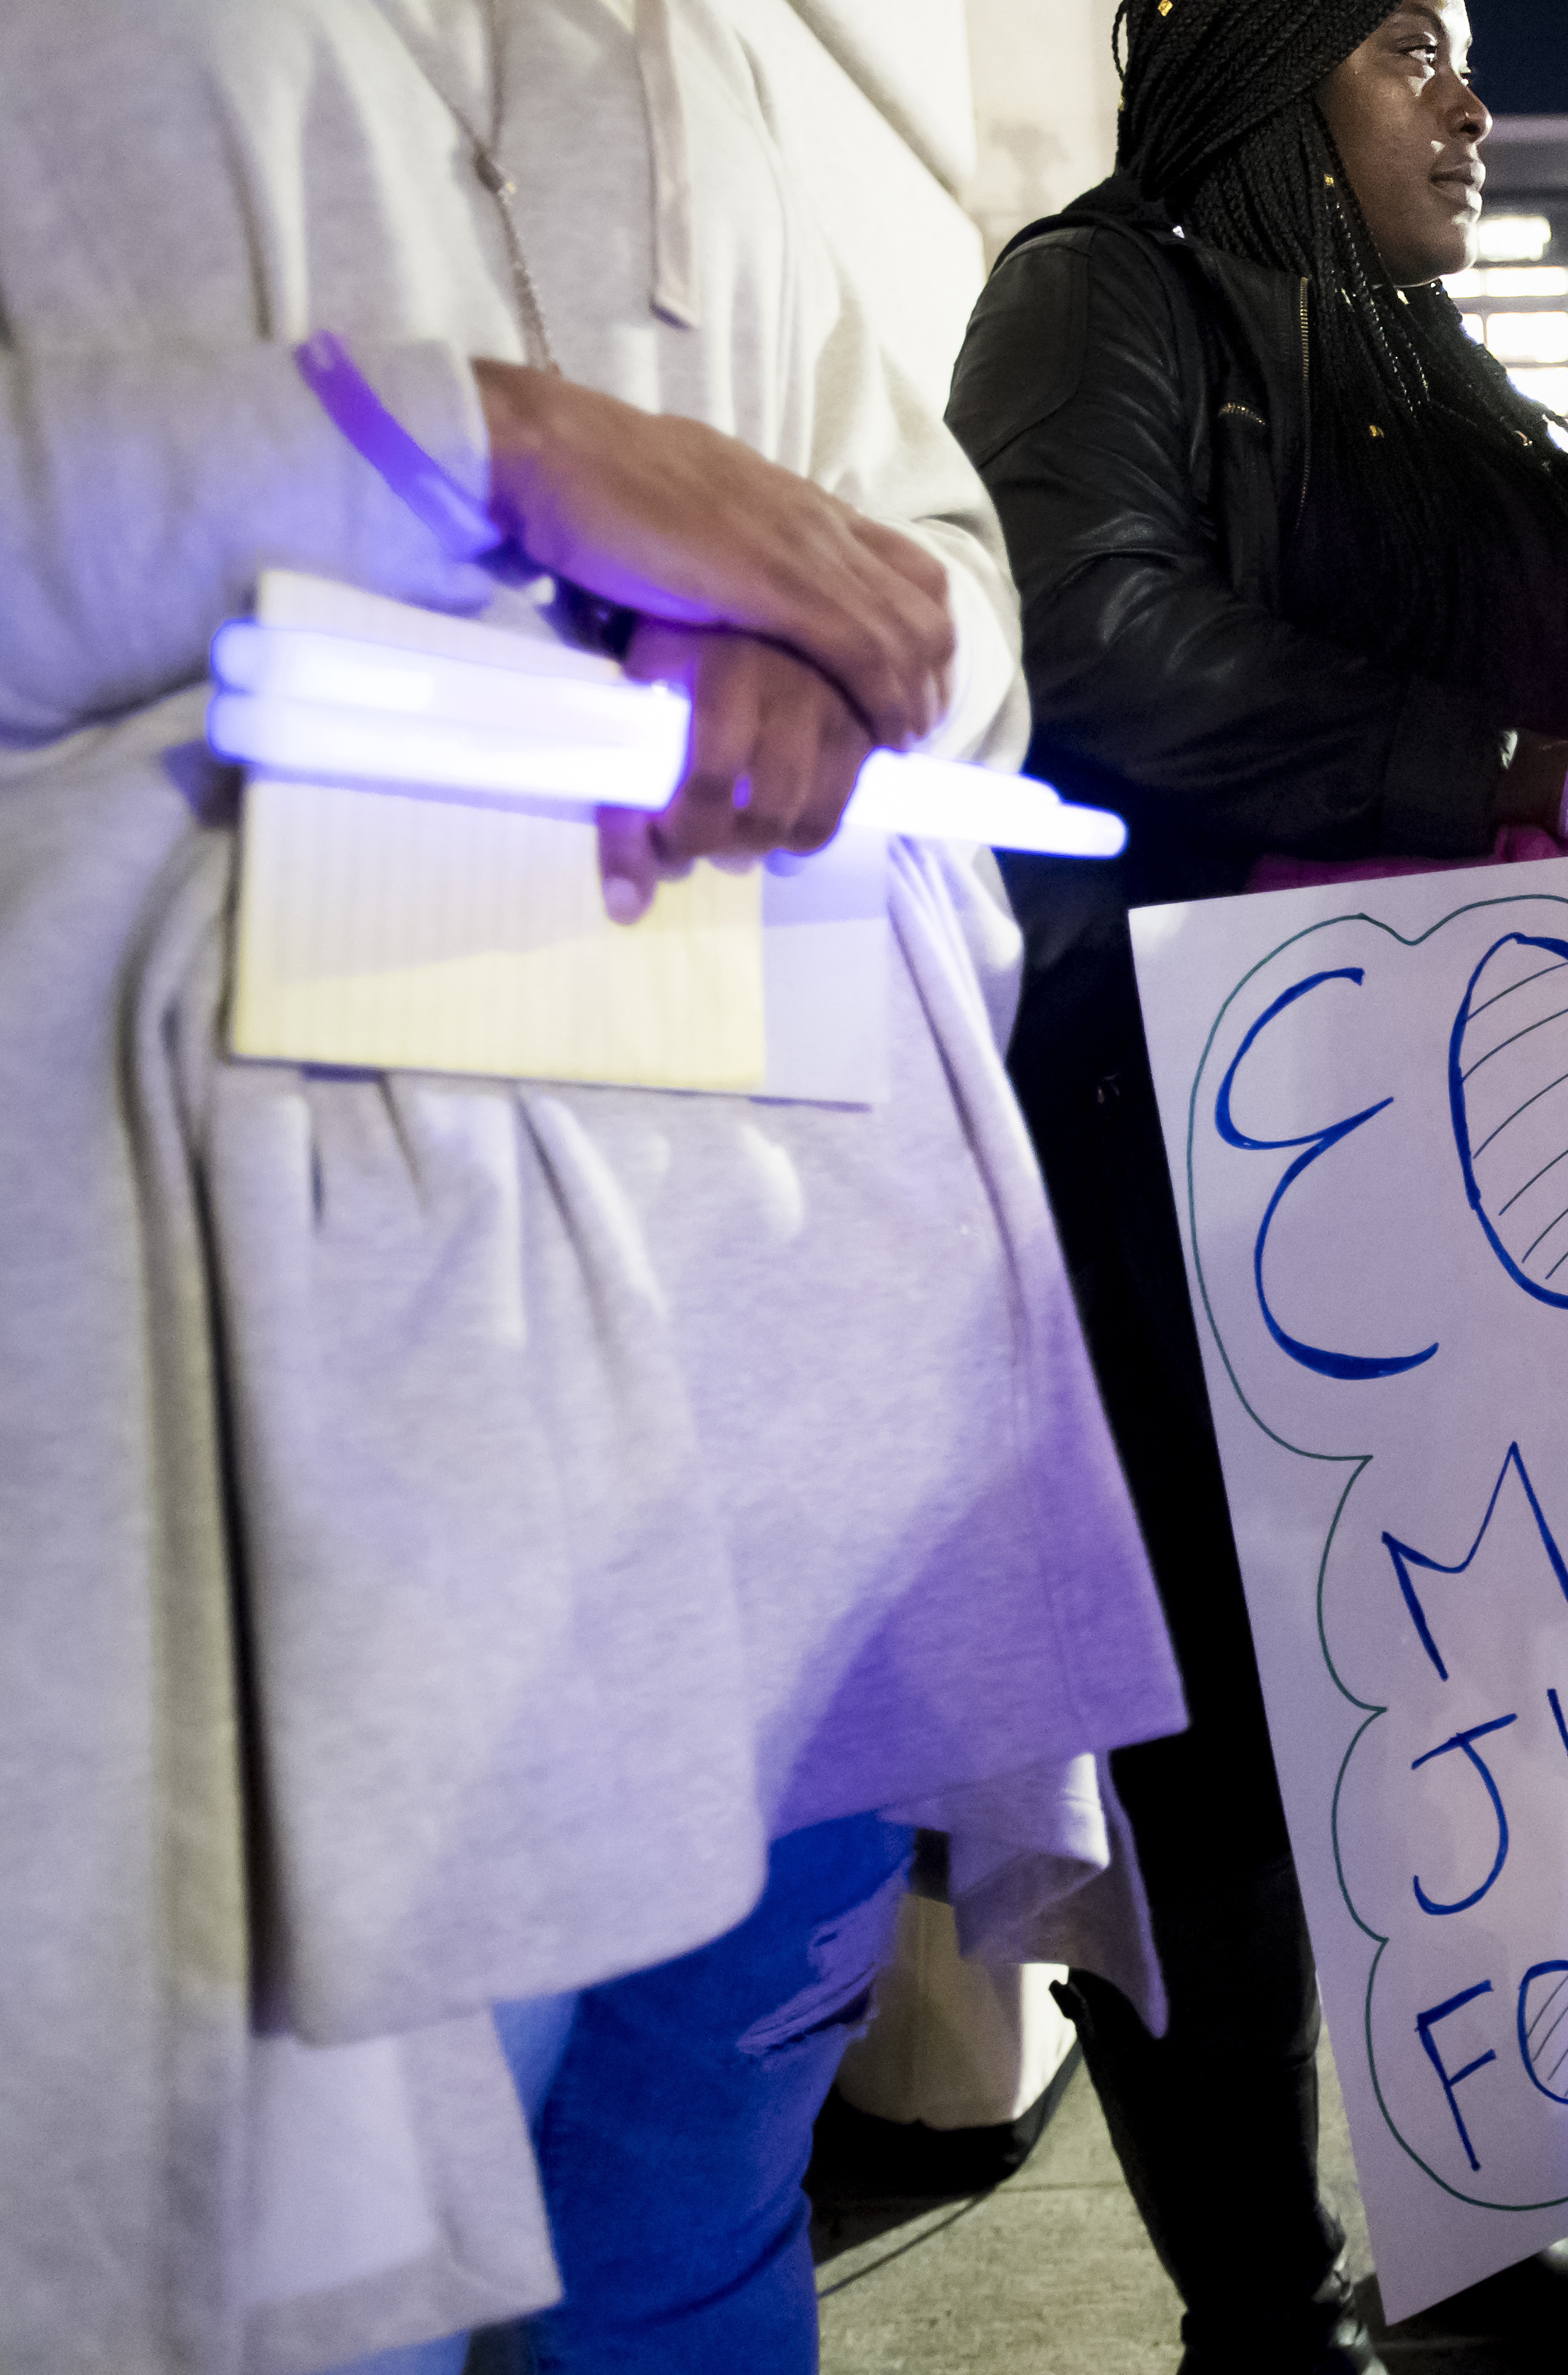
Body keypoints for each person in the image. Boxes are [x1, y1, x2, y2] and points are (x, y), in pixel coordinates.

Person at [0, 3, 1185, 2371]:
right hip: (290, 1494)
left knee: (692, 2251)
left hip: (804, 1435)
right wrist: (460, 454)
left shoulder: (707, 50)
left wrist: (845, 651)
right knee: (300, 2305)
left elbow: (940, 576)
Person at [944, 3, 1568, 2366]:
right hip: (1179, 1158)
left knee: (1448, 1725)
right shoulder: (1109, 295)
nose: (1472, 98)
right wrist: (1518, 765)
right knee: (1220, 1796)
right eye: (1412, 42)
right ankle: (1265, 2321)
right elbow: (1090, 642)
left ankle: (1478, 2231)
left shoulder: (1427, 365)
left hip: (1456, 1172)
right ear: (1277, 63)